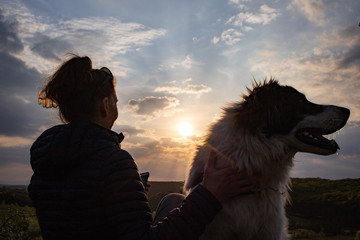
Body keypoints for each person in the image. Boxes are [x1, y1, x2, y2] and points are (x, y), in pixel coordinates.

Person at [28, 54, 256, 240]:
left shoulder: (45, 163)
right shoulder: (114, 161)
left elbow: (83, 216)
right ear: (105, 106)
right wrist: (210, 195)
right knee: (178, 201)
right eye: (116, 100)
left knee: (172, 200)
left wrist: (125, 196)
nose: (117, 105)